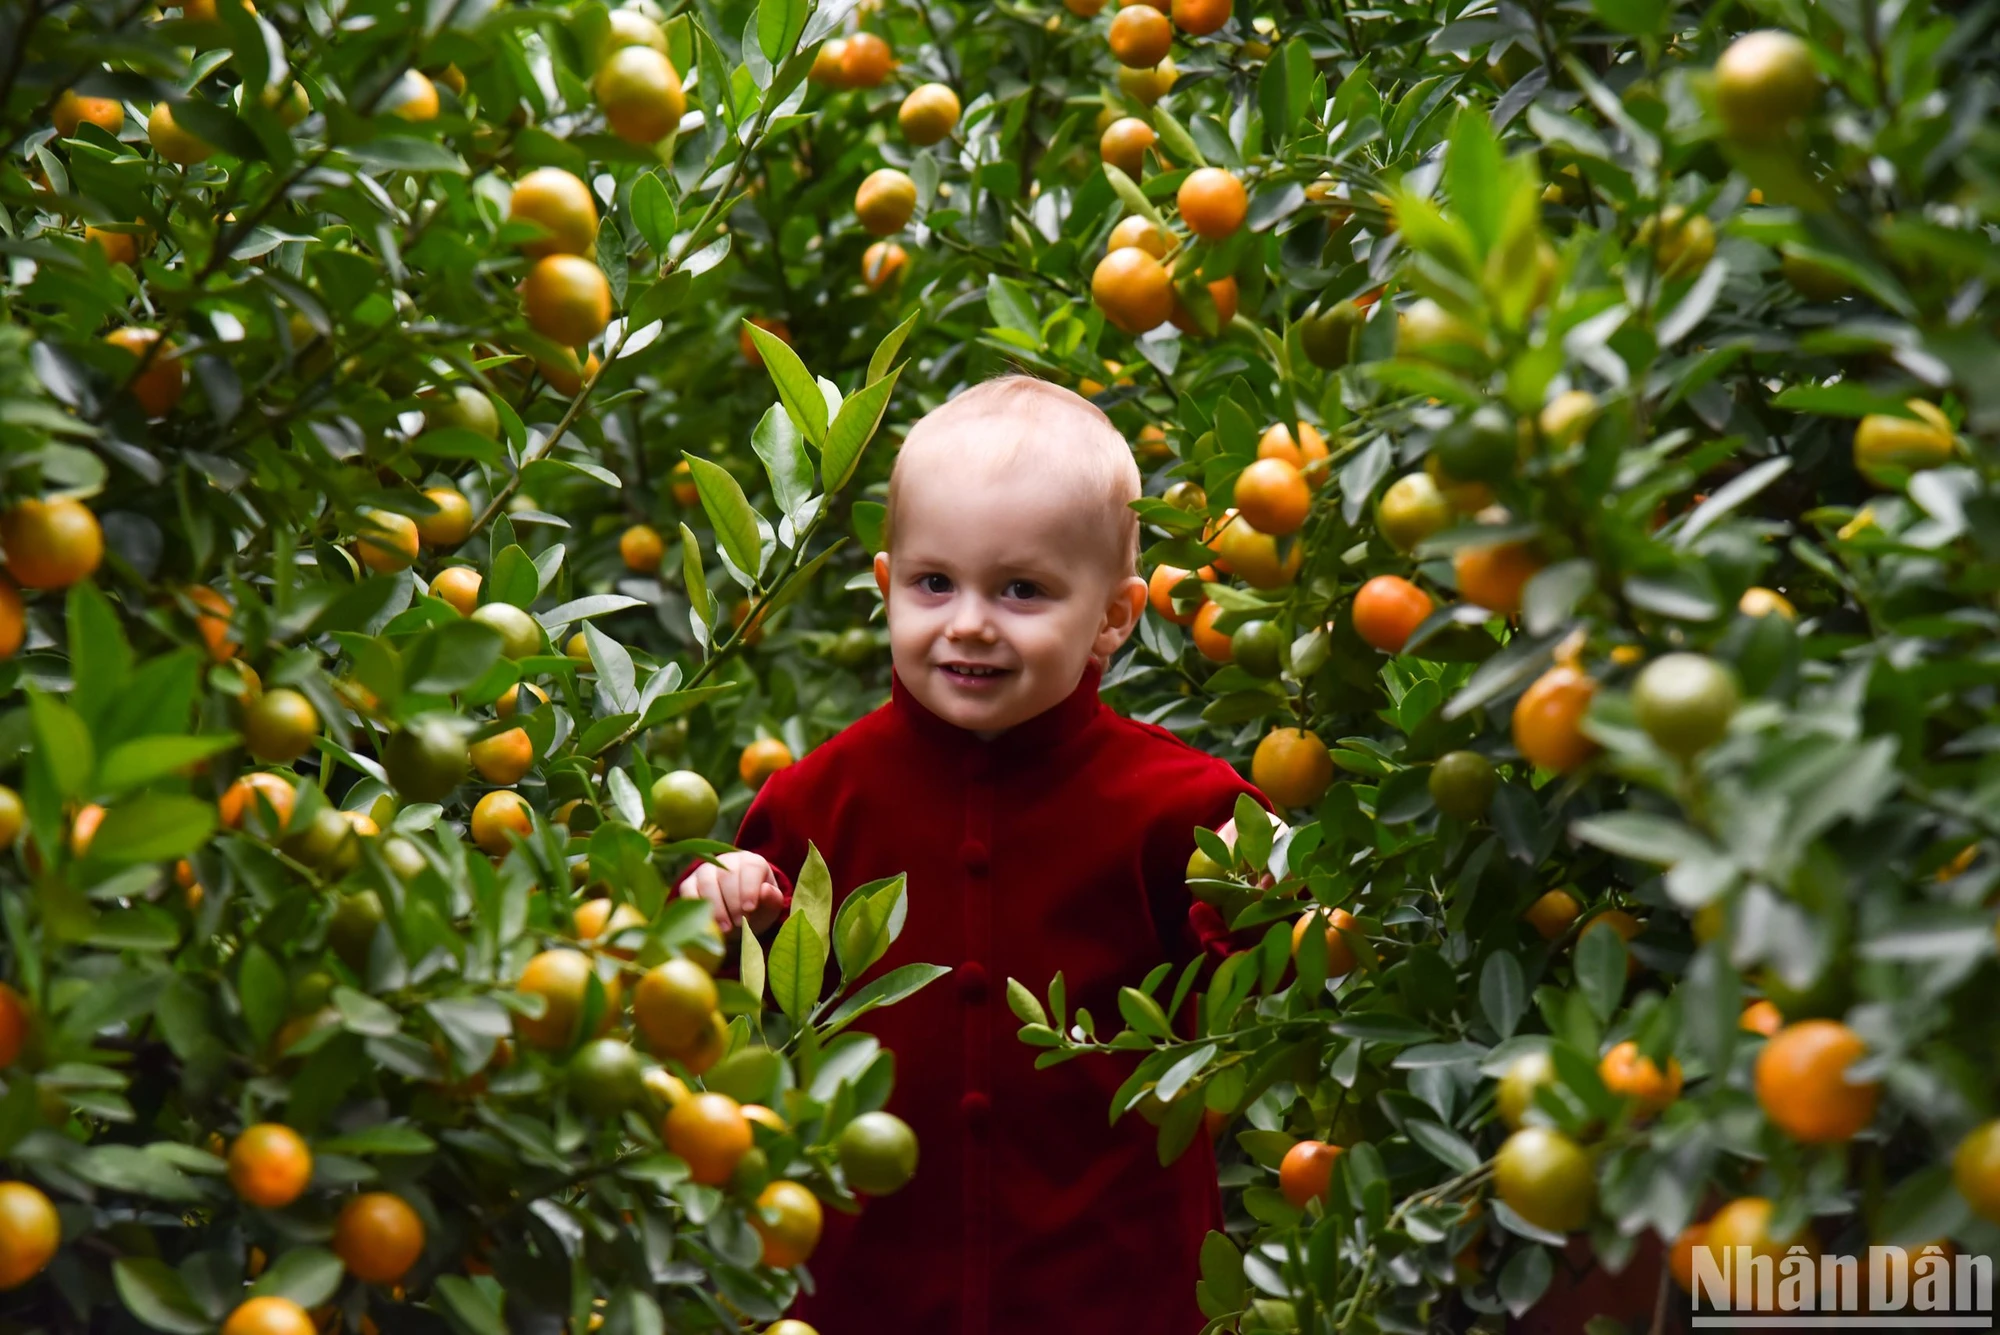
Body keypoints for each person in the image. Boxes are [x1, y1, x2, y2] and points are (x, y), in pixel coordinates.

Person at [678, 375, 1262, 1335]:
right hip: (864, 1292)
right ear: (885, 587)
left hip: (1112, 1289)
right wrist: (712, 902)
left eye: (1022, 589)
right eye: (934, 582)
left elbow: (1278, 984)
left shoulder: (1180, 808)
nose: (970, 622)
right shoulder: (819, 799)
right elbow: (708, 1005)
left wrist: (1266, 887)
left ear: (1114, 618)